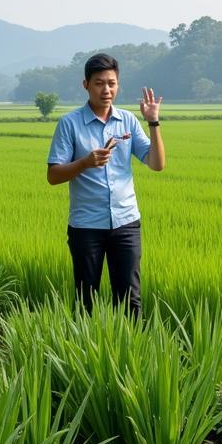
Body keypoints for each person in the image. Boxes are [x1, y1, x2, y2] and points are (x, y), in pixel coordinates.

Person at [46, 53, 166, 316]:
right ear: (85, 84)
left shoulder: (128, 121)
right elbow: (53, 175)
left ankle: (131, 353)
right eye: (99, 83)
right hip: (86, 226)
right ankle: (85, 353)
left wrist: (153, 122)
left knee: (130, 300)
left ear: (118, 85)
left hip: (126, 223)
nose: (106, 89)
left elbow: (157, 164)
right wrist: (85, 163)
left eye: (111, 83)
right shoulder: (70, 124)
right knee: (85, 299)